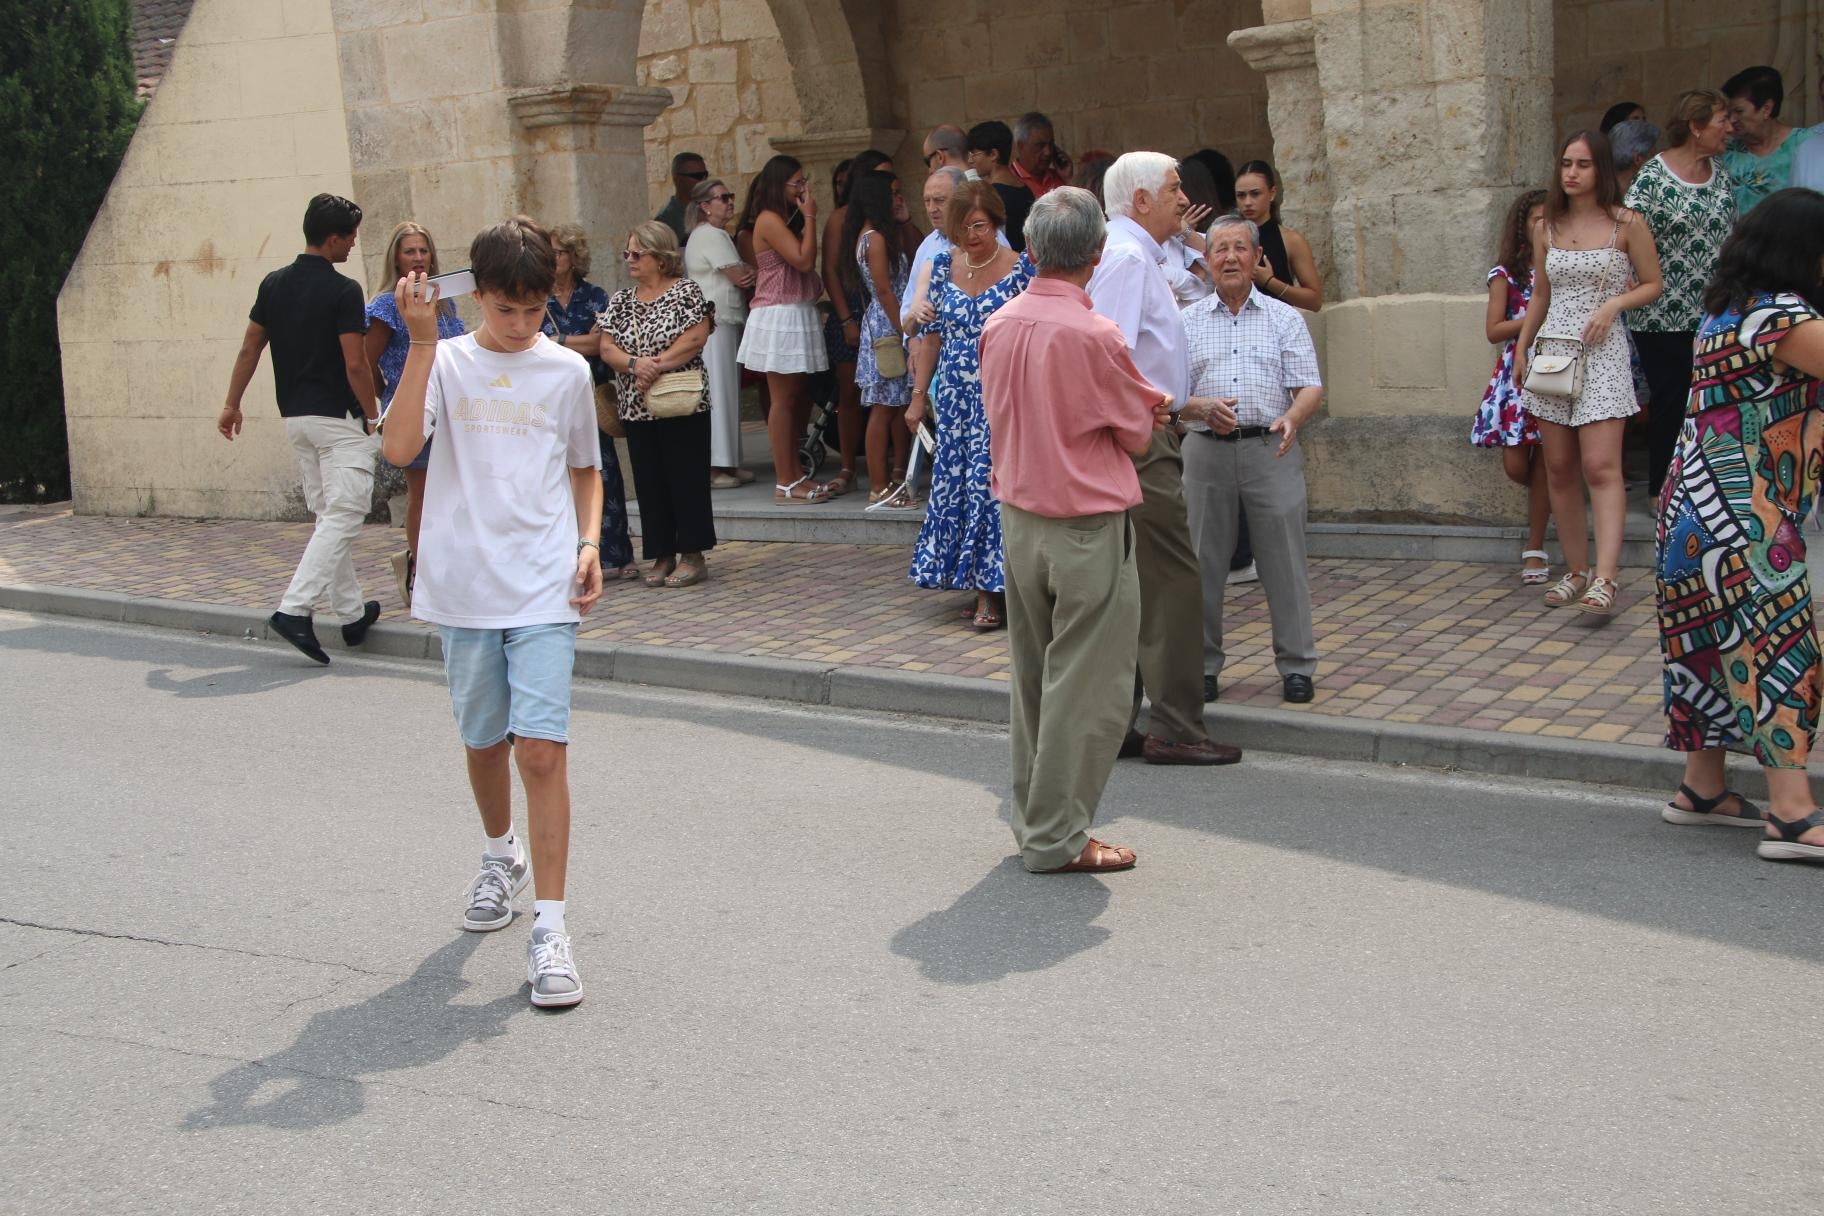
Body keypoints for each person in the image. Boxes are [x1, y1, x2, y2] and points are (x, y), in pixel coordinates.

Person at [381, 215, 604, 1007]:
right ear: (477, 295)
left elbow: (586, 468)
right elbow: (398, 449)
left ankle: (551, 929)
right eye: (506, 309)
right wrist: (418, 342)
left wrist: (588, 541)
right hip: (464, 585)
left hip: (543, 581)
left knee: (540, 751)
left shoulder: (565, 372)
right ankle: (499, 853)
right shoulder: (444, 361)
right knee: (484, 741)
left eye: (534, 309)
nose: (519, 324)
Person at [981, 186, 1173, 875]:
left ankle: (1038, 822)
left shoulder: (999, 323)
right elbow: (1138, 434)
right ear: (1096, 253)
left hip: (1021, 517)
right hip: (1084, 525)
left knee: (1035, 679)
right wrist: (1152, 409)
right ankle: (1056, 835)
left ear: (1031, 250)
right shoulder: (1096, 335)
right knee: (1087, 686)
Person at [1656, 187, 1824, 866]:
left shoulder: (1724, 312)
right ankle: (1791, 814)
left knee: (1705, 644)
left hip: (1688, 508)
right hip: (1746, 513)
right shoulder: (1783, 316)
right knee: (1780, 648)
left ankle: (1702, 789)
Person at [1087, 151, 1243, 759]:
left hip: (1147, 432)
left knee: (1137, 583)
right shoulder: (1128, 259)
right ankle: (1175, 724)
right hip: (1141, 440)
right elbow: (1111, 360)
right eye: (1175, 189)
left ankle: (1122, 720)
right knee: (1171, 579)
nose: (1185, 199)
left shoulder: (1136, 256)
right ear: (1142, 200)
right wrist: (1161, 415)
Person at [218, 193, 380, 666]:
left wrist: (231, 404)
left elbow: (250, 347)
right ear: (332, 239)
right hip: (339, 420)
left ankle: (351, 615)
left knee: (331, 514)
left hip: (297, 420)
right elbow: (356, 363)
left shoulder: (273, 284)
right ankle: (294, 609)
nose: (353, 244)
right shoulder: (345, 290)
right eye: (350, 237)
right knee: (345, 513)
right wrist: (374, 414)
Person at [1514, 130, 1663, 618]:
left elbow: (1653, 283)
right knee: (1558, 467)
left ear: (1601, 168)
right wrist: (1521, 348)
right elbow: (1540, 293)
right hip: (1554, 352)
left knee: (1601, 466)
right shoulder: (1547, 225)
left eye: (1582, 164)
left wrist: (1615, 304)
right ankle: (1576, 570)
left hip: (1602, 351)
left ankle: (1606, 577)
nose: (1572, 173)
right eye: (1566, 164)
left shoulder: (1627, 223)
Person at [1180, 214, 1325, 705]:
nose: (1230, 258)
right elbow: (1169, 395)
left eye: (1240, 248)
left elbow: (1310, 385)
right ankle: (1201, 666)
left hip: (1271, 447)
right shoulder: (1187, 322)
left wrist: (1293, 416)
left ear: (1258, 257)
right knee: (1200, 564)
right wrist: (1199, 408)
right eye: (1220, 249)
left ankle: (1297, 665)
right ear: (1207, 259)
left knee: (1285, 563)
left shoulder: (1285, 318)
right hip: (1204, 452)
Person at [906, 180, 1029, 627]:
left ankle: (994, 593)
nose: (972, 235)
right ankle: (978, 583)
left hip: (1004, 396)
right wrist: (918, 398)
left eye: (980, 225)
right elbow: (929, 339)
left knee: (991, 490)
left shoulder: (1022, 269)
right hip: (956, 400)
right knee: (961, 487)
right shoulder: (941, 266)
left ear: (996, 223)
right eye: (963, 227)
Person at [1623, 90, 1738, 498]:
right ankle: (1663, 490)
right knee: (1672, 401)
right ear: (1696, 126)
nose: (1730, 127)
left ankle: (1706, 489)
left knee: (1712, 400)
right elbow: (1625, 231)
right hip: (1661, 313)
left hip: (1714, 311)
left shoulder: (1720, 172)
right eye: (1722, 120)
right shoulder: (1653, 177)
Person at [597, 222, 717, 589]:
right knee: (650, 481)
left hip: (682, 401)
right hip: (637, 406)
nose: (630, 259)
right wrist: (636, 365)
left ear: (661, 257)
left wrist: (656, 366)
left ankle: (693, 555)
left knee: (686, 477)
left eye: (638, 253)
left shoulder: (685, 292)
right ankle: (662, 554)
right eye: (627, 253)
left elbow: (695, 337)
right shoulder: (621, 300)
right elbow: (606, 348)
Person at [363, 220, 466, 609]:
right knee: (422, 494)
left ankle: (443, 566)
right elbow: (366, 362)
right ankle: (421, 572)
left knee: (453, 493)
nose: (419, 257)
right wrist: (385, 400)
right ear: (396, 257)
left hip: (451, 408)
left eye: (424, 250)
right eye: (410, 251)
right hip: (414, 409)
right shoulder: (386, 305)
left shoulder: (444, 300)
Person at [541, 223, 639, 583]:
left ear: (573, 257)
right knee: (561, 476)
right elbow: (536, 342)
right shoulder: (538, 297)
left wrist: (559, 340)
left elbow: (603, 343)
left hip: (592, 394)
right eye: (549, 253)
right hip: (552, 398)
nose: (553, 259)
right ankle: (574, 555)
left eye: (559, 253)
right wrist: (582, 340)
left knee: (605, 471)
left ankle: (619, 553)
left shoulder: (594, 295)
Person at [737, 155, 831, 503]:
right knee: (782, 400)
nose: (803, 188)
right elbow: (804, 260)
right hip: (778, 314)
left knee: (794, 399)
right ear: (780, 184)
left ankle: (795, 474)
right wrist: (811, 216)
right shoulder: (769, 219)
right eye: (798, 182)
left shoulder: (784, 219)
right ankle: (785, 480)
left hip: (794, 311)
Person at [1472, 190, 1552, 585]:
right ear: (1522, 226)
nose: (1544, 225)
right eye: (1537, 218)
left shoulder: (1564, 263)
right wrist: (1537, 315)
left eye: (1550, 218)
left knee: (1550, 460)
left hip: (1557, 367)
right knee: (1517, 464)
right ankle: (1557, 490)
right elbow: (1494, 329)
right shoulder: (1506, 274)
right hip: (1518, 372)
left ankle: (1535, 546)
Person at [819, 149, 895, 496]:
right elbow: (830, 271)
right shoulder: (842, 219)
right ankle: (848, 465)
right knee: (850, 391)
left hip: (878, 305)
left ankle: (893, 466)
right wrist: (846, 318)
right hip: (853, 305)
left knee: (891, 392)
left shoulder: (886, 222)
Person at [839, 169, 914, 503]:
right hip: (887, 325)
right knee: (883, 408)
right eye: (893, 193)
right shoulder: (876, 239)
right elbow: (884, 290)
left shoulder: (875, 235)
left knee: (891, 406)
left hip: (886, 321)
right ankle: (878, 485)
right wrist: (906, 331)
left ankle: (885, 482)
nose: (898, 198)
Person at [684, 176, 756, 488]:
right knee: (719, 392)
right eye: (722, 198)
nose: (729, 202)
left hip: (722, 321)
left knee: (727, 392)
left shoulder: (713, 235)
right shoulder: (710, 235)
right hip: (715, 324)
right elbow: (742, 276)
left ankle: (728, 461)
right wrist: (746, 271)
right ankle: (715, 466)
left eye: (730, 196)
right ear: (705, 206)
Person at [1232, 160, 1323, 312]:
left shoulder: (1291, 240)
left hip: (1278, 323)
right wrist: (1188, 229)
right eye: (1241, 195)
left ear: (1272, 193)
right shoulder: (1227, 237)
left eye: (1255, 194)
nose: (1247, 202)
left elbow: (1315, 301)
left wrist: (1270, 282)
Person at [1720, 66, 1812, 214]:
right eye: (1728, 113)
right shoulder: (1724, 149)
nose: (1731, 120)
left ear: (1766, 109)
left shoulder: (1807, 145)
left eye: (1739, 111)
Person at [966, 120, 1033, 252]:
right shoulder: (1025, 189)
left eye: (974, 154)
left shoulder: (991, 196)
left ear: (993, 154)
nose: (970, 160)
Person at [1010, 111, 1071, 198]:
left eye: (1051, 144)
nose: (1048, 152)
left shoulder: (1059, 177)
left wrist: (1068, 179)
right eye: (1040, 146)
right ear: (1021, 146)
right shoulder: (1009, 180)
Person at [655, 151, 708, 242]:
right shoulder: (666, 221)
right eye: (698, 176)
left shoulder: (706, 209)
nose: (704, 180)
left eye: (705, 175)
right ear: (678, 179)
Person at [1608, 117, 1660, 192]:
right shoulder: (1647, 194)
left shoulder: (1598, 193)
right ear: (1638, 159)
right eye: (1653, 156)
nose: (1658, 162)